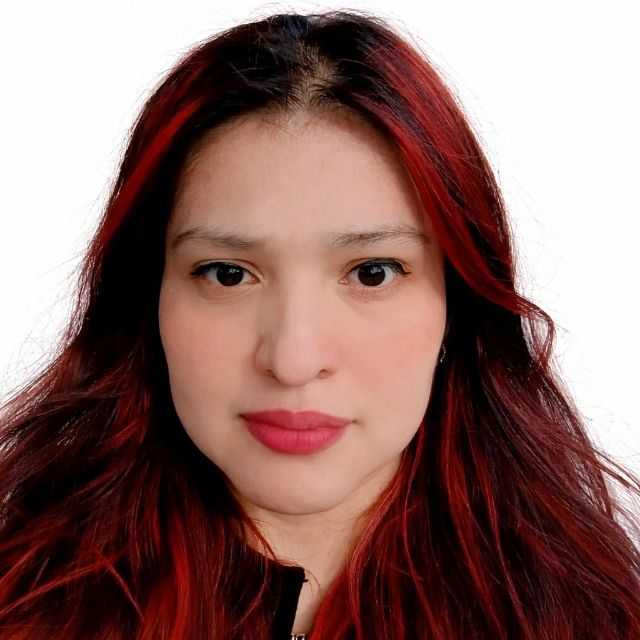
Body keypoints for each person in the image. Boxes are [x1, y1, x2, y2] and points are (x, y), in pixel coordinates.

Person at [0, 9, 639, 639]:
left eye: (372, 273)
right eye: (228, 274)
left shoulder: (592, 619)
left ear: (459, 305)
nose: (293, 360)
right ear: (148, 298)